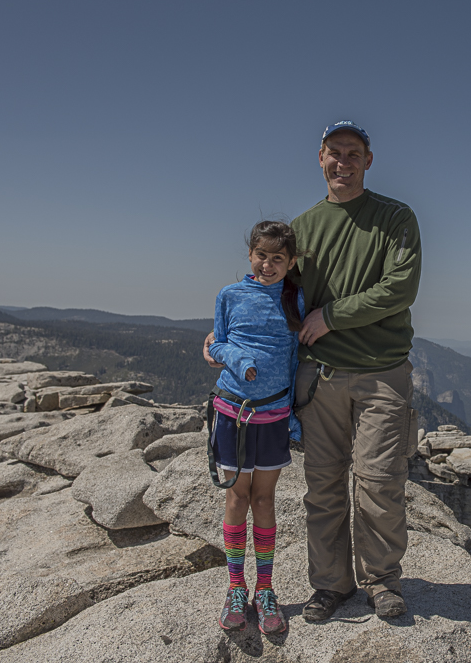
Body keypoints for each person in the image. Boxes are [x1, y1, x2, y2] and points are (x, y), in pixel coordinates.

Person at [205, 120, 421, 621]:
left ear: (369, 161)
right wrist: (225, 336)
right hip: (318, 375)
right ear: (319, 158)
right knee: (323, 485)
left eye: (353, 153)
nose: (343, 162)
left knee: (379, 481)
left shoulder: (396, 217)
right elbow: (268, 287)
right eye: (334, 152)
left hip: (381, 371)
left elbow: (399, 289)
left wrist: (331, 316)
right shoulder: (303, 227)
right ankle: (330, 585)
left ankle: (382, 582)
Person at [207, 220, 305, 635]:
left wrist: (295, 415)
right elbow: (218, 343)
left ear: (291, 262)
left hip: (273, 415)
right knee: (236, 499)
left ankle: (265, 589)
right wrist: (237, 361)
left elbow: (297, 359)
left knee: (264, 502)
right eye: (261, 255)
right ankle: (235, 586)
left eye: (277, 258)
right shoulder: (229, 296)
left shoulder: (294, 299)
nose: (268, 264)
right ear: (250, 255)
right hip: (232, 410)